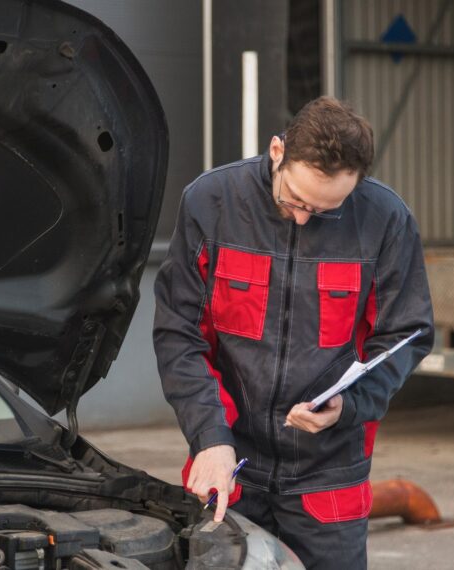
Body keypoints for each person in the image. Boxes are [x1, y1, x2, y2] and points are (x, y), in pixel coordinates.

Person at [153, 96, 434, 569]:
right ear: (277, 151)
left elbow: (407, 336)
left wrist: (350, 405)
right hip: (231, 463)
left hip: (329, 476)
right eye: (296, 201)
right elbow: (180, 334)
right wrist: (210, 437)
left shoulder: (385, 220)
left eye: (325, 209)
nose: (305, 216)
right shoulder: (211, 203)